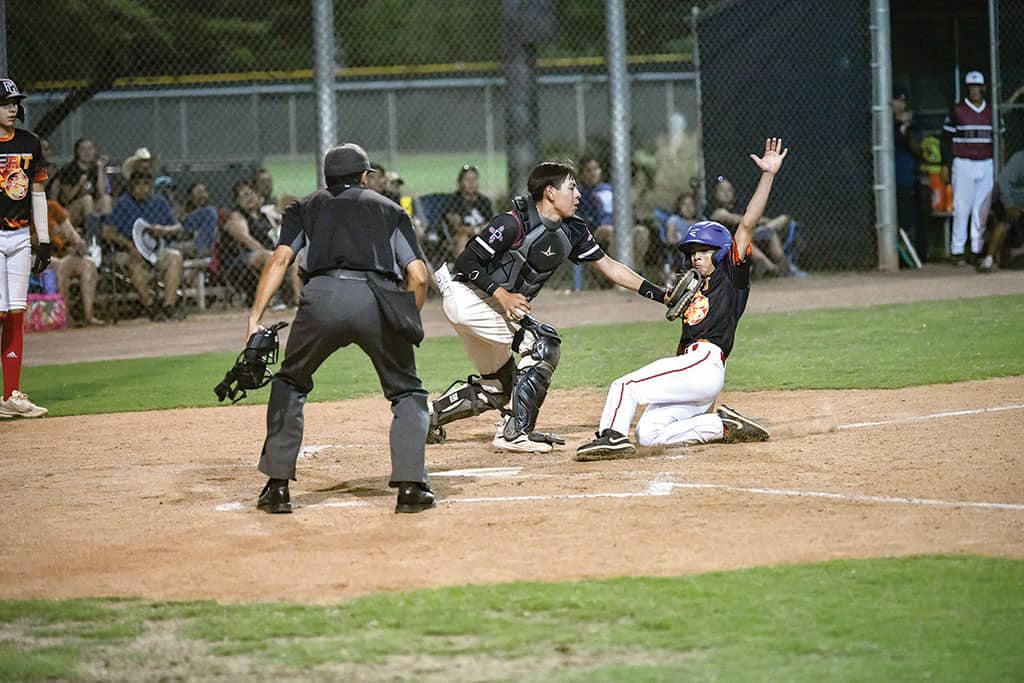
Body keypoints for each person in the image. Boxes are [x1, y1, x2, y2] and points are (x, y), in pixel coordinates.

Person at [428, 159, 672, 453]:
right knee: (543, 344)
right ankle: (514, 433)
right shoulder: (513, 222)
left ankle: (428, 416)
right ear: (550, 193)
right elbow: (467, 261)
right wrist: (502, 294)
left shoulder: (573, 231)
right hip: (469, 297)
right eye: (571, 187)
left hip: (494, 307)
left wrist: (660, 294)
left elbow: (610, 267)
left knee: (499, 388)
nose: (578, 194)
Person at [247, 143, 434, 514]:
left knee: (290, 382)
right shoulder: (390, 209)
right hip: (375, 298)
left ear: (327, 179)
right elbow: (418, 275)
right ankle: (411, 489)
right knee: (407, 391)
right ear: (365, 176)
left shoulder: (304, 206)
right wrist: (406, 314)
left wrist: (254, 317)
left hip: (321, 298)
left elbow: (281, 258)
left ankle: (277, 489)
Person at [575, 138, 789, 460]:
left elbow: (747, 224)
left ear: (719, 252)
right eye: (692, 252)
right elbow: (635, 282)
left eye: (703, 250)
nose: (697, 257)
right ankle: (721, 426)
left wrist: (768, 175)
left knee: (625, 386)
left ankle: (611, 436)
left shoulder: (730, 276)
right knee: (649, 434)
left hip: (705, 362)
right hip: (693, 373)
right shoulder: (687, 289)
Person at [0, 78, 50, 418]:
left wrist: (43, 239)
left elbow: (37, 194)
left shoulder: (29, 143)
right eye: (5, 103)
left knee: (16, 314)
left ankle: (11, 395)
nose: (13, 108)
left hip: (19, 238)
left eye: (15, 102)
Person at [102, 168, 185, 321]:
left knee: (175, 257)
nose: (142, 188)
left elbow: (178, 227)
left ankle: (169, 306)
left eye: (146, 185)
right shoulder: (124, 203)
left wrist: (164, 230)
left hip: (155, 250)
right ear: (131, 187)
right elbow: (107, 232)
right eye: (137, 185)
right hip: (130, 251)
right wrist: (128, 245)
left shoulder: (159, 201)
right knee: (133, 263)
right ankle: (150, 306)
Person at [942, 71, 1002, 267]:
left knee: (981, 210)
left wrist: (1000, 163)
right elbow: (944, 139)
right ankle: (957, 250)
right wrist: (943, 163)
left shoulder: (991, 111)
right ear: (967, 88)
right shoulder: (957, 110)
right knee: (962, 208)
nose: (974, 90)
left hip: (986, 162)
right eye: (971, 86)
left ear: (983, 88)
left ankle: (976, 250)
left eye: (977, 86)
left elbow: (1000, 138)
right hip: (963, 162)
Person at [219, 180, 302, 305]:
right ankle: (273, 299)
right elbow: (247, 241)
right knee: (269, 257)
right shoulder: (237, 216)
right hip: (242, 258)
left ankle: (298, 299)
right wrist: (269, 253)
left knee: (294, 257)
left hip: (268, 254)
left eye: (252, 194)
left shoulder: (265, 215)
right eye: (244, 195)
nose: (250, 198)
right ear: (237, 201)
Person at [708, 175, 805, 278]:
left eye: (729, 190)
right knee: (745, 240)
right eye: (722, 191)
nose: (727, 193)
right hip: (729, 246)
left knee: (771, 233)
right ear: (715, 194)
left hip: (750, 236)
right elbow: (742, 220)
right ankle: (773, 269)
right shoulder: (718, 212)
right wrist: (765, 221)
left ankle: (785, 266)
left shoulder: (738, 207)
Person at [577, 156, 650, 267]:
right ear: (582, 174)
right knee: (610, 231)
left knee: (641, 232)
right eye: (588, 170)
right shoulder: (580, 193)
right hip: (597, 230)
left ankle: (633, 271)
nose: (593, 173)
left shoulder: (608, 188)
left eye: (596, 169)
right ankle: (623, 275)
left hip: (619, 227)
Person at [45, 199, 102, 326]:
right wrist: (46, 234)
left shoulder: (52, 207)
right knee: (61, 266)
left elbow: (73, 235)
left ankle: (89, 315)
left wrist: (78, 245)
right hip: (35, 256)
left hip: (62, 256)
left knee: (88, 265)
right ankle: (65, 316)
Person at [46, 137, 112, 228]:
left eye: (90, 149)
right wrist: (79, 185)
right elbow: (66, 198)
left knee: (106, 199)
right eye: (83, 149)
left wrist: (101, 168)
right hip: (70, 211)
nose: (87, 152)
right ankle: (90, 233)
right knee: (87, 199)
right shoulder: (69, 169)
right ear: (77, 152)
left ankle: (105, 232)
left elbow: (102, 193)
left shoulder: (95, 169)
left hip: (91, 209)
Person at [892, 85, 925, 262]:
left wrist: (905, 131)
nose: (899, 104)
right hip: (886, 180)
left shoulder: (913, 123)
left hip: (906, 177)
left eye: (903, 101)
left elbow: (921, 151)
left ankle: (910, 259)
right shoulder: (883, 121)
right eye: (897, 100)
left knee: (907, 221)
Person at [980, 148, 1024, 272]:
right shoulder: (1019, 158)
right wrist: (1009, 205)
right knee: (1006, 221)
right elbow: (1003, 182)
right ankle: (988, 260)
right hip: (1006, 198)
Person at [444, 164, 494, 260]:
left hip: (483, 236)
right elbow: (457, 228)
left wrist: (479, 230)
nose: (471, 183)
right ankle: (463, 269)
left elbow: (491, 223)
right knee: (462, 237)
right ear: (460, 182)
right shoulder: (454, 201)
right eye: (467, 179)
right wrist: (477, 230)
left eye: (474, 179)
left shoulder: (484, 201)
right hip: (460, 239)